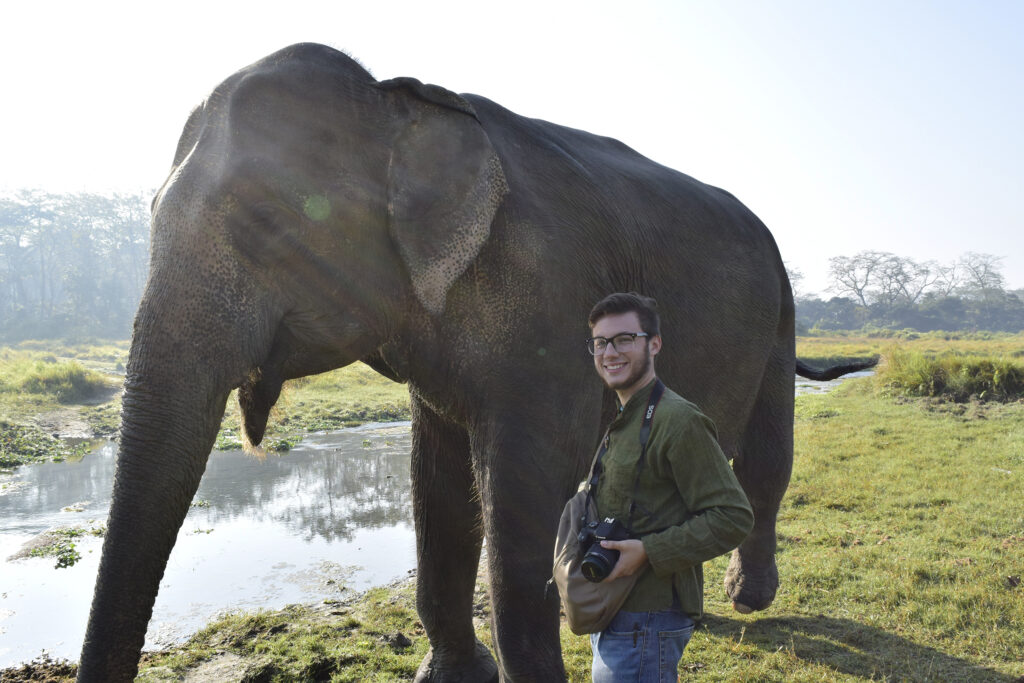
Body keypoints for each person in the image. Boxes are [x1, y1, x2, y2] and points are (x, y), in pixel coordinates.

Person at [584, 292, 754, 682]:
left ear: (654, 343)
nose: (610, 352)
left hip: (648, 619)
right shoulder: (627, 416)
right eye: (600, 342)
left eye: (624, 339)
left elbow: (733, 517)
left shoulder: (678, 421)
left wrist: (648, 551)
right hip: (616, 608)